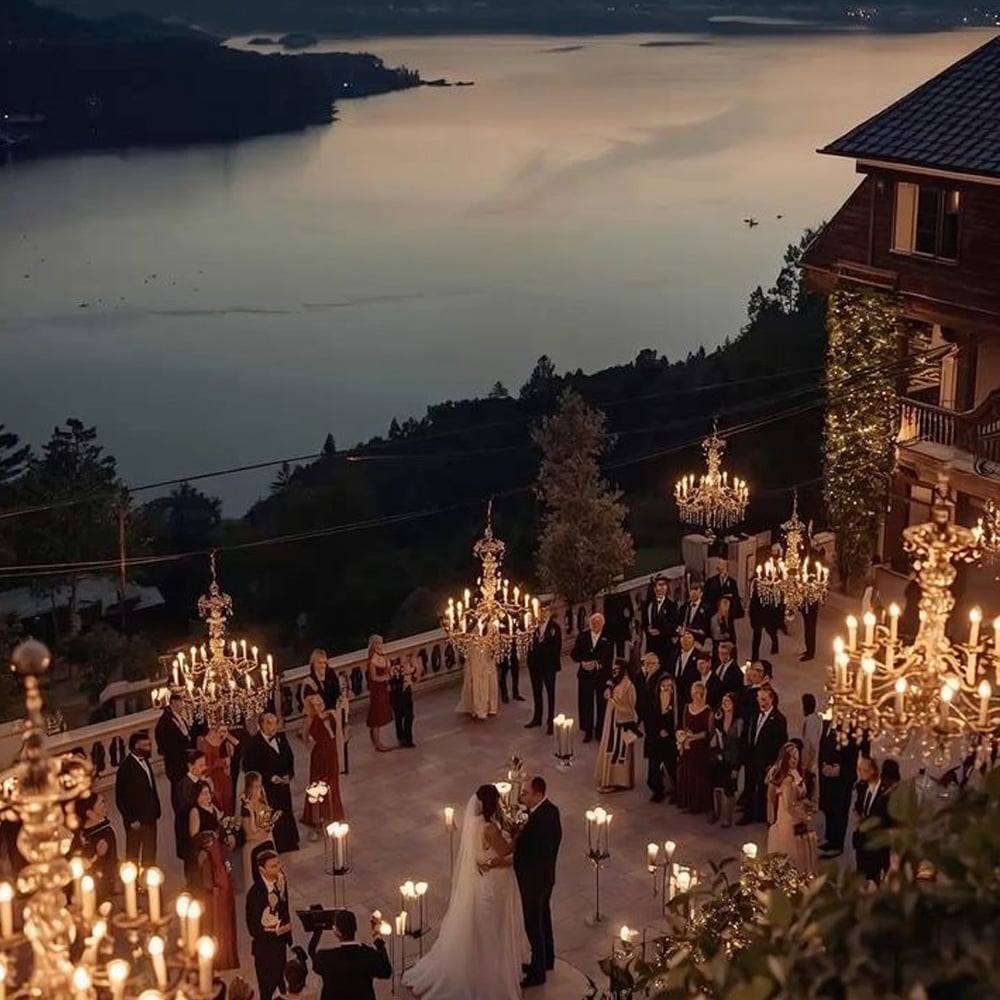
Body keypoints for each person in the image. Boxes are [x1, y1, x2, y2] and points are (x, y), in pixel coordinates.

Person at [403, 784, 530, 999]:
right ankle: (491, 973)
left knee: (484, 927)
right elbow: (505, 850)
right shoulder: (488, 829)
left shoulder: (476, 823)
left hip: (485, 877)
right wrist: (518, 835)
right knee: (492, 928)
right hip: (494, 883)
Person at [514, 776, 562, 988]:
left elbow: (524, 850)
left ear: (538, 794)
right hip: (546, 877)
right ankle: (546, 960)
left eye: (525, 793)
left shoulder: (537, 822)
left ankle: (537, 971)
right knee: (544, 919)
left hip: (533, 880)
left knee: (533, 924)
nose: (521, 796)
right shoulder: (552, 810)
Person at [244, 713, 300, 854]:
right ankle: (277, 844)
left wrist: (289, 774)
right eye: (269, 723)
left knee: (286, 810)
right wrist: (270, 777)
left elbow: (289, 756)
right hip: (267, 788)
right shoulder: (253, 744)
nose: (273, 726)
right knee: (273, 814)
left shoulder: (281, 737)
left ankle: (290, 842)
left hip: (283, 784)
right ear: (261, 724)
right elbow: (249, 766)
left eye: (275, 723)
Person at [311, 910, 391, 1000]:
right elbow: (386, 970)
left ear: (337, 932)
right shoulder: (368, 955)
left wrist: (317, 933)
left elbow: (313, 959)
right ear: (355, 928)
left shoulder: (325, 958)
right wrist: (377, 937)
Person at [765, 742, 817, 875]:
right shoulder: (787, 779)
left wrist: (808, 806)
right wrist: (805, 816)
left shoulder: (798, 772)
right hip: (790, 819)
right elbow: (788, 806)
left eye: (796, 756)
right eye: (791, 757)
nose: (795, 760)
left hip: (799, 816)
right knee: (792, 850)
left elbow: (802, 796)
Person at [247, 850, 293, 1000]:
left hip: (280, 945)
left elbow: (284, 907)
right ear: (262, 870)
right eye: (273, 866)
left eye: (278, 864)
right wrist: (275, 932)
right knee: (267, 989)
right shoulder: (255, 894)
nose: (278, 868)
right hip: (265, 950)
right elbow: (253, 929)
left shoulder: (281, 881)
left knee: (282, 984)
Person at [739, 685, 788, 825]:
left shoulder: (779, 719)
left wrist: (774, 764)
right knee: (749, 787)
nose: (762, 702)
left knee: (764, 790)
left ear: (771, 699)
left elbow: (781, 744)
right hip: (752, 758)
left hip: (766, 761)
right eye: (760, 699)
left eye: (765, 699)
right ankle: (747, 815)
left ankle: (764, 816)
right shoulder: (755, 715)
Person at [192, 827, 239, 970]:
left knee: (218, 925)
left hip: (217, 896)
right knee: (222, 926)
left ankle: (219, 958)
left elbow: (207, 880)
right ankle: (223, 957)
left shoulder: (206, 854)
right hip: (220, 896)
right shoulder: (211, 853)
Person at [300, 694, 345, 833]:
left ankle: (333, 812)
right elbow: (304, 736)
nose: (318, 706)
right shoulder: (309, 720)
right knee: (318, 783)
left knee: (332, 782)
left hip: (331, 751)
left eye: (319, 703)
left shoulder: (330, 714)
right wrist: (311, 745)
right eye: (314, 705)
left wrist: (323, 719)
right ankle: (317, 815)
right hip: (319, 754)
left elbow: (333, 734)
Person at [818, 722, 864, 859]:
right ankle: (830, 839)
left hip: (841, 781)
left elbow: (852, 757)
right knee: (829, 810)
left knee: (839, 812)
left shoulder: (851, 731)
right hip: (827, 778)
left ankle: (837, 844)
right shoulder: (826, 724)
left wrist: (839, 771)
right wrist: (824, 766)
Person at [115, 729, 160, 867]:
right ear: (136, 747)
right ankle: (133, 884)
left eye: (149, 744)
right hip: (136, 821)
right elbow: (121, 797)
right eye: (145, 745)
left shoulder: (146, 762)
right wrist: (131, 819)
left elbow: (150, 788)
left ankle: (149, 883)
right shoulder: (125, 768)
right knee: (133, 855)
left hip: (150, 817)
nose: (149, 748)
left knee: (150, 853)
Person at [570, 612, 614, 744]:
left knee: (601, 704)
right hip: (585, 676)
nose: (596, 625)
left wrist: (598, 664)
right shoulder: (583, 636)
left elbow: (609, 659)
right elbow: (574, 654)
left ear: (603, 624)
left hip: (601, 676)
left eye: (599, 623)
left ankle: (600, 732)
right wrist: (583, 662)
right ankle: (588, 731)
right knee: (586, 704)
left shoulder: (608, 638)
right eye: (593, 623)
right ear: (590, 623)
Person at [594, 659, 638, 793]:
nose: (614, 673)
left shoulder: (628, 685)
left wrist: (613, 700)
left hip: (620, 723)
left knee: (617, 751)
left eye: (616, 670)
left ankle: (619, 781)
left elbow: (631, 706)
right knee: (609, 747)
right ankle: (608, 779)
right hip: (611, 721)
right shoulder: (615, 682)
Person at [675, 680, 715, 814]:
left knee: (698, 776)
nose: (696, 696)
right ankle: (687, 801)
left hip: (700, 748)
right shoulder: (687, 707)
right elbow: (682, 725)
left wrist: (693, 737)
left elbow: (708, 732)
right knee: (687, 774)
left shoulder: (708, 711)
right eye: (694, 693)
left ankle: (698, 805)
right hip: (688, 747)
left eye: (699, 693)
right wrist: (681, 736)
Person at [853, 755, 891, 885]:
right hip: (861, 841)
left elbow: (885, 818)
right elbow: (858, 807)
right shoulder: (861, 786)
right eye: (859, 770)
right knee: (861, 876)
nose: (860, 773)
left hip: (876, 843)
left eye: (863, 770)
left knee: (874, 879)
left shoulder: (885, 792)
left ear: (873, 771)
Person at [525, 603, 562, 734]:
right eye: (540, 611)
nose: (541, 614)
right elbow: (528, 645)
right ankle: (537, 718)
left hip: (549, 667)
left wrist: (554, 665)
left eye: (544, 612)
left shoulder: (554, 628)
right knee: (537, 692)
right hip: (535, 666)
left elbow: (557, 648)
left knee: (550, 694)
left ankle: (550, 721)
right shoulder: (533, 628)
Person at [77, 792, 119, 898]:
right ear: (90, 813)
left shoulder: (106, 832)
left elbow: (110, 862)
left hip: (104, 883)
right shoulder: (81, 834)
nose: (104, 805)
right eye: (101, 803)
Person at [709, 692, 742, 827]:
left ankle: (728, 818)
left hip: (732, 759)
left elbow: (740, 745)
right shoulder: (718, 717)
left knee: (729, 790)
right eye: (723, 701)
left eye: (728, 702)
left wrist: (736, 767)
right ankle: (717, 813)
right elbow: (712, 735)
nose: (725, 704)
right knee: (716, 786)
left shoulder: (738, 722)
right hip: (719, 757)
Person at [173, 749, 208, 874]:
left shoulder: (201, 782)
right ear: (190, 766)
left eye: (204, 764)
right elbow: (186, 808)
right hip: (187, 832)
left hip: (199, 831)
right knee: (192, 866)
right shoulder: (185, 785)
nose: (204, 768)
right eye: (200, 765)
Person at [241, 771, 279, 886]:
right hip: (254, 849)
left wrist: (262, 833)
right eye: (256, 786)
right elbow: (250, 834)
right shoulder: (246, 808)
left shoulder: (264, 805)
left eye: (260, 785)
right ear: (249, 788)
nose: (259, 789)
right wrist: (252, 814)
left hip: (266, 844)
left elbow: (266, 830)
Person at [645, 673, 677, 804]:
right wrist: (659, 730)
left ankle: (675, 790)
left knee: (671, 765)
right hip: (655, 738)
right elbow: (649, 719)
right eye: (664, 686)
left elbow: (675, 720)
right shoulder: (653, 700)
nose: (666, 689)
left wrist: (668, 730)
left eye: (669, 686)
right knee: (654, 766)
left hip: (670, 739)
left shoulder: (676, 703)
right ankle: (657, 790)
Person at [155, 692, 196, 785]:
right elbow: (165, 744)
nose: (183, 705)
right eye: (181, 702)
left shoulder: (179, 717)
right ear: (173, 702)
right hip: (176, 765)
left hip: (184, 763)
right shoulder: (165, 721)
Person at [456, 638, 500, 720]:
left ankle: (490, 705)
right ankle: (478, 706)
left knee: (489, 674)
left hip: (488, 645)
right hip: (475, 647)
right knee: (477, 675)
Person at [198, 725, 238, 816]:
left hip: (225, 778)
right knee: (220, 806)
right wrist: (223, 762)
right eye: (222, 731)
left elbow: (237, 744)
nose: (223, 734)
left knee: (228, 803)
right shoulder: (206, 744)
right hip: (215, 780)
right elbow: (207, 766)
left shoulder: (223, 741)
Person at [365, 635, 394, 751]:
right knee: (377, 716)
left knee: (379, 714)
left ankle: (376, 741)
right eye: (378, 643)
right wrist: (385, 677)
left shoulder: (382, 655)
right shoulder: (373, 659)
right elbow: (373, 677)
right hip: (377, 690)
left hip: (382, 689)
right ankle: (377, 743)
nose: (380, 645)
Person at [642, 576, 678, 669]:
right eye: (660, 585)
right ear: (654, 588)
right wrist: (648, 629)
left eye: (665, 585)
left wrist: (661, 631)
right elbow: (644, 623)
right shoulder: (648, 605)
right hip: (651, 645)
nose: (662, 588)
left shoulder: (672, 606)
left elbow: (674, 626)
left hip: (665, 646)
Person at [389, 651, 421, 747]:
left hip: (404, 692)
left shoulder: (407, 666)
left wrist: (415, 669)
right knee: (402, 717)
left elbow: (415, 678)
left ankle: (405, 739)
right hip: (398, 694)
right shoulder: (396, 666)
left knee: (406, 717)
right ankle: (404, 739)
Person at [748, 574, 779, 661]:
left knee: (771, 631)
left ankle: (775, 644)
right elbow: (752, 605)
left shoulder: (770, 588)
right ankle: (754, 657)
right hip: (758, 616)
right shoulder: (755, 590)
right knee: (756, 637)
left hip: (767, 614)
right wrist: (752, 617)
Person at [800, 694, 822, 800]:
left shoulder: (810, 720)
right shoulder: (817, 719)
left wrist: (805, 765)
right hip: (815, 761)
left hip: (811, 763)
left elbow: (809, 744)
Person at [671, 629, 699, 707]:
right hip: (676, 696)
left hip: (690, 697)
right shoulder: (675, 654)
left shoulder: (698, 656)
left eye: (689, 638)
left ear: (694, 640)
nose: (685, 640)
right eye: (683, 637)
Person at [709, 596, 738, 664]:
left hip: (730, 646)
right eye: (724, 604)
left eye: (728, 604)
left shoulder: (729, 618)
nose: (726, 607)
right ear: (719, 606)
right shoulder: (714, 619)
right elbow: (716, 635)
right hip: (719, 645)